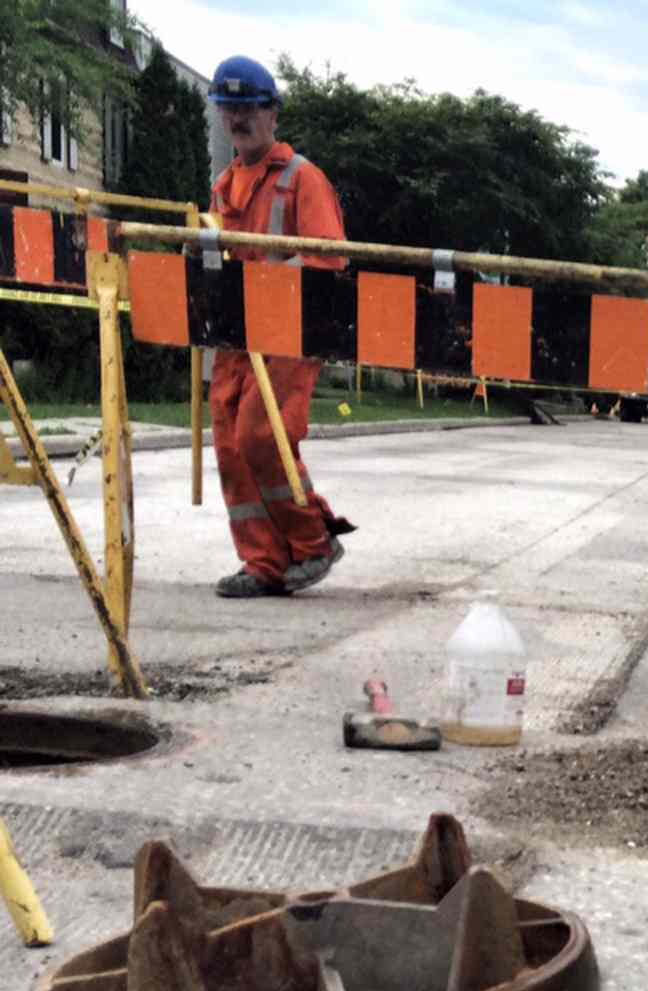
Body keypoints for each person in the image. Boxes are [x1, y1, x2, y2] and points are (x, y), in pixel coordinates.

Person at [204, 56, 352, 599]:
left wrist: (268, 281)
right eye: (229, 109)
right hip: (235, 338)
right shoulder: (224, 187)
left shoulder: (301, 178)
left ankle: (313, 542)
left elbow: (329, 258)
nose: (237, 119)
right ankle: (263, 562)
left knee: (260, 435)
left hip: (288, 334)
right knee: (230, 447)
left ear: (272, 114)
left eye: (248, 108)